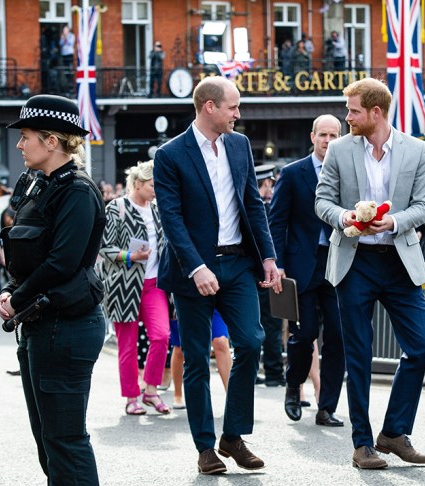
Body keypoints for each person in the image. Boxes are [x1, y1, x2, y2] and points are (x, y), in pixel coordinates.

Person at [153, 76, 280, 475]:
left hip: (238, 264)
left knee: (252, 340)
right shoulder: (170, 154)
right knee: (195, 359)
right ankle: (206, 447)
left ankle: (233, 436)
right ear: (209, 106)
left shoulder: (239, 145)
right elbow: (171, 219)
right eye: (233, 107)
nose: (238, 115)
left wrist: (269, 258)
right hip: (193, 270)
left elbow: (253, 205)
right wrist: (196, 266)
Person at [315, 78, 425, 469]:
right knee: (359, 355)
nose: (347, 117)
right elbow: (322, 201)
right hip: (355, 262)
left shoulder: (417, 150)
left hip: (399, 261)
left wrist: (395, 222)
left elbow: (424, 206)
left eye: (353, 111)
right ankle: (362, 443)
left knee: (421, 347)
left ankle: (395, 432)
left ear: (375, 113)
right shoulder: (339, 149)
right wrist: (343, 216)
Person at [0, 94, 106, 484]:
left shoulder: (75, 191)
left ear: (52, 140)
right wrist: (12, 290)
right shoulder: (37, 185)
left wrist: (17, 298)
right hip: (39, 324)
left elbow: (62, 262)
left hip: (66, 326)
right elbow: (23, 253)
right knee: (48, 440)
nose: (19, 145)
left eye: (26, 136)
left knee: (65, 439)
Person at [269, 114, 345, 426]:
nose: (328, 141)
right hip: (301, 266)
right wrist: (277, 263)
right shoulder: (292, 173)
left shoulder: (347, 173)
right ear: (312, 136)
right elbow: (276, 221)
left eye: (334, 135)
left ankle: (326, 407)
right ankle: (293, 385)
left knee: (339, 336)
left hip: (338, 264)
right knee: (305, 333)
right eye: (323, 135)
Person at [99, 160, 171, 415]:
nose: (156, 189)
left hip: (154, 285)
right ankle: (131, 396)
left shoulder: (158, 210)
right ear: (138, 183)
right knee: (127, 346)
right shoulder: (116, 208)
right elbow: (105, 248)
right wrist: (130, 257)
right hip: (123, 287)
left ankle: (150, 390)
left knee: (162, 336)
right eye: (152, 185)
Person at [254, 164, 285, 387]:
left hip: (248, 274)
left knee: (250, 326)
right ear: (266, 184)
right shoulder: (267, 209)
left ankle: (253, 370)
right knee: (272, 323)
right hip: (267, 272)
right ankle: (274, 373)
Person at [170, 309, 233, 409]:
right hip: (188, 298)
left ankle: (232, 398)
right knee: (180, 348)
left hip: (217, 298)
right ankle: (178, 394)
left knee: (221, 342)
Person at [59, 25, 75, 93]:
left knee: (70, 69)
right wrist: (62, 38)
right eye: (64, 30)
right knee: (65, 68)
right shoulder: (63, 36)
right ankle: (67, 78)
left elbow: (71, 43)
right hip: (64, 54)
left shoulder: (71, 36)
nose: (64, 31)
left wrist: (66, 37)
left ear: (68, 30)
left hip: (69, 53)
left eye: (65, 30)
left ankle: (71, 85)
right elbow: (60, 43)